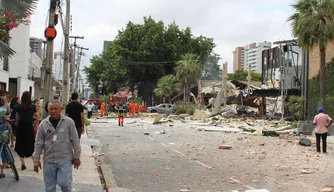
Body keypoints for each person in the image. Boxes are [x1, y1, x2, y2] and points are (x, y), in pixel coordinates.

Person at [34, 100, 81, 192]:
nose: (53, 111)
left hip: (65, 159)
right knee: (49, 188)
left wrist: (77, 156)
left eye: (55, 108)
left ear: (61, 109)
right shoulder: (43, 124)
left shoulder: (69, 122)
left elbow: (75, 140)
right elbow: (38, 142)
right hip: (49, 160)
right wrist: (36, 159)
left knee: (65, 184)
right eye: (51, 109)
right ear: (47, 109)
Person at [15, 91, 37, 170]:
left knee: (20, 145)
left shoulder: (18, 107)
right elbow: (35, 116)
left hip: (21, 127)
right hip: (29, 127)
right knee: (31, 145)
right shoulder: (33, 107)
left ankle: (23, 163)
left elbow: (17, 118)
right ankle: (35, 163)